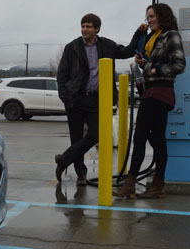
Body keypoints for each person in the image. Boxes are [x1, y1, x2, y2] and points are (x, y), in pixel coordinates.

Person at [55, 13, 140, 185]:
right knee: (76, 137)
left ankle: (64, 160)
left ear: (97, 29)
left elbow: (128, 51)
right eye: (83, 26)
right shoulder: (72, 47)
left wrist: (139, 33)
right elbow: (62, 74)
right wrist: (65, 98)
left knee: (96, 134)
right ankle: (81, 174)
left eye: (88, 26)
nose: (84, 29)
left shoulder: (107, 45)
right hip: (76, 99)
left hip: (97, 100)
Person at [114, 3, 186, 199]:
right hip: (151, 92)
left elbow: (179, 64)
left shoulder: (171, 35)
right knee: (153, 139)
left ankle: (144, 185)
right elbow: (152, 59)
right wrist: (145, 64)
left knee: (147, 139)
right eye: (148, 17)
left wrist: (155, 70)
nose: (149, 20)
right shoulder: (152, 38)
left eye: (152, 16)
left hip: (160, 93)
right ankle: (149, 185)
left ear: (162, 16)